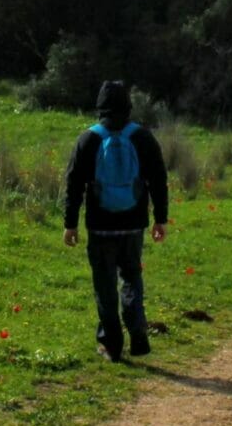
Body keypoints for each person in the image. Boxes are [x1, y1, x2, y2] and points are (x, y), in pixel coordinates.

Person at [64, 80, 169, 362]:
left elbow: (74, 183)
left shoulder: (89, 138)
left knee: (105, 284)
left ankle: (111, 344)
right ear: (128, 106)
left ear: (99, 107)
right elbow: (159, 179)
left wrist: (70, 224)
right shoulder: (143, 138)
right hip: (133, 223)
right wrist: (160, 219)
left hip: (100, 226)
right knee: (132, 276)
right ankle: (138, 333)